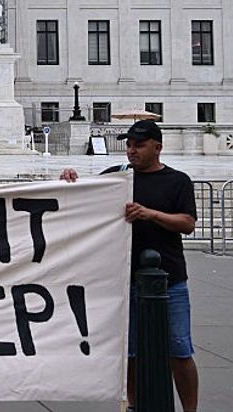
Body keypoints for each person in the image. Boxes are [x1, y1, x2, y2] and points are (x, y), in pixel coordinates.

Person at [60, 120, 198, 412]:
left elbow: (187, 224)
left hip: (170, 280)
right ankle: (134, 406)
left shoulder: (178, 181)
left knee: (179, 350)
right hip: (124, 279)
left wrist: (150, 214)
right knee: (130, 352)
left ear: (157, 147)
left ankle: (190, 410)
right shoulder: (118, 176)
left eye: (139, 145)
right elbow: (85, 194)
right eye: (129, 145)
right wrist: (69, 178)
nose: (132, 151)